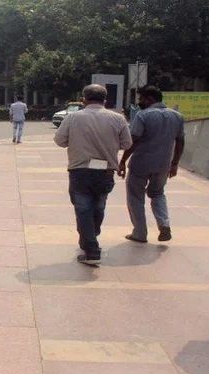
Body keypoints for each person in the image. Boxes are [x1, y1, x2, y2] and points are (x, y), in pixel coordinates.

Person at [54, 84, 132, 265]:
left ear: (84, 99)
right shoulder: (118, 119)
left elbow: (59, 140)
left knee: (83, 210)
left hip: (79, 171)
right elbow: (127, 144)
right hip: (105, 172)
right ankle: (90, 239)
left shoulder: (73, 118)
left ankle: (91, 249)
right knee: (98, 207)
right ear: (105, 100)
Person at [118, 85, 185, 243]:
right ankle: (164, 224)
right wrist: (174, 164)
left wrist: (122, 161)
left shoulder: (143, 115)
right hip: (163, 164)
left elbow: (134, 140)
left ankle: (140, 233)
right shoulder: (177, 116)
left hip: (141, 164)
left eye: (141, 99)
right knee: (158, 193)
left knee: (135, 197)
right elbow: (181, 141)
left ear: (149, 99)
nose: (140, 102)